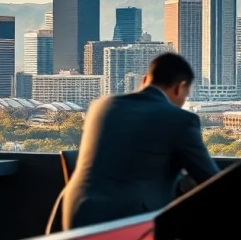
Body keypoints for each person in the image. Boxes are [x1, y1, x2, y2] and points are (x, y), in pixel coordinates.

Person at [61, 52, 220, 230]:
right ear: (180, 87)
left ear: (145, 80)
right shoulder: (181, 120)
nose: (183, 102)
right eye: (185, 96)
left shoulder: (101, 105)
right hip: (128, 224)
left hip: (74, 216)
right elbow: (211, 180)